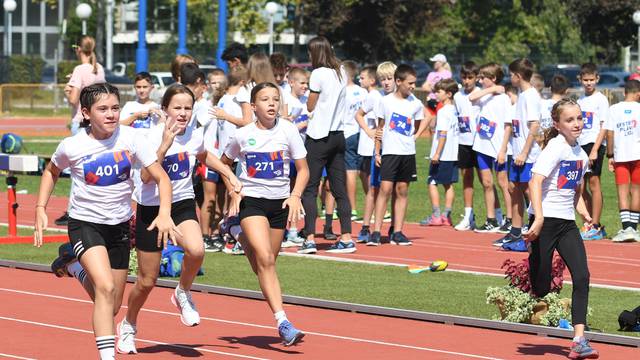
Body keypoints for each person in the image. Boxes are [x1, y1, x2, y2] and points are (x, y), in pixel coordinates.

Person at [35, 83, 179, 360]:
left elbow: (161, 178)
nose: (111, 114)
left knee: (112, 305)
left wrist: (164, 213)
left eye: (115, 108)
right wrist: (41, 207)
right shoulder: (73, 145)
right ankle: (107, 357)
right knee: (104, 287)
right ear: (86, 113)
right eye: (103, 109)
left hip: (120, 226)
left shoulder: (132, 138)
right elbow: (51, 171)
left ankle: (75, 268)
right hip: (85, 224)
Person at [118, 84, 241, 353]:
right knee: (147, 281)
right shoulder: (148, 137)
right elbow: (147, 177)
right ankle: (129, 324)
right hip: (152, 208)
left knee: (196, 250)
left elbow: (204, 155)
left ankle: (182, 292)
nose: (183, 113)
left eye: (188, 108)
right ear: (164, 110)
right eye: (177, 107)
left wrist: (228, 174)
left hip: (181, 203)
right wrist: (164, 145)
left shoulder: (195, 135)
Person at [222, 82, 309, 346]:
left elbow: (303, 170)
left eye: (275, 99)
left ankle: (235, 232)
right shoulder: (242, 135)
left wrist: (295, 196)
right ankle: (283, 322)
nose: (271, 104)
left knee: (264, 263)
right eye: (265, 99)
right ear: (253, 106)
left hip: (279, 205)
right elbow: (224, 164)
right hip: (253, 203)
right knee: (265, 260)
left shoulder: (288, 130)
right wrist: (235, 190)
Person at [525, 98, 598, 360]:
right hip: (545, 222)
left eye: (579, 118)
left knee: (582, 277)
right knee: (542, 287)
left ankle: (579, 340)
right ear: (557, 125)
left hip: (566, 224)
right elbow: (535, 182)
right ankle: (534, 255)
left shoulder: (580, 153)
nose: (577, 123)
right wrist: (539, 218)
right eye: (570, 120)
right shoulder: (555, 148)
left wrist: (584, 212)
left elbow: (574, 190)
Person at [298, 36, 356, 254]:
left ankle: (310, 238)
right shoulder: (340, 70)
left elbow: (311, 104)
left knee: (310, 188)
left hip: (319, 136)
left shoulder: (318, 73)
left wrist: (309, 104)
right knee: (339, 189)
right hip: (338, 135)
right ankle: (347, 237)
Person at [369, 64, 427, 245]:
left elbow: (417, 126)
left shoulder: (415, 104)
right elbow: (380, 128)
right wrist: (377, 152)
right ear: (398, 81)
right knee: (385, 190)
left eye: (414, 83)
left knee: (402, 190)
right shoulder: (385, 102)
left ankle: (398, 231)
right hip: (389, 152)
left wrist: (414, 137)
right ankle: (376, 231)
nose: (412, 86)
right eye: (409, 83)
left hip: (407, 153)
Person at [56, 35, 106, 227]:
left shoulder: (80, 69)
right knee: (94, 167)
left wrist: (68, 89)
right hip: (95, 120)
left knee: (78, 169)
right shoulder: (98, 68)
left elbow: (73, 99)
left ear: (78, 49)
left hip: (80, 120)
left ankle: (73, 210)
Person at [495, 58, 541, 247]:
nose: (510, 77)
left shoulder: (530, 95)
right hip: (517, 153)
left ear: (518, 76)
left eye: (511, 74)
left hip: (527, 155)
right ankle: (515, 232)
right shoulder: (522, 95)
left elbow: (535, 126)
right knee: (514, 189)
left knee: (530, 191)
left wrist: (523, 152)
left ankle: (538, 228)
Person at [203, 67, 247, 252]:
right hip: (224, 157)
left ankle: (226, 233)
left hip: (226, 156)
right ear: (243, 83)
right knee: (227, 196)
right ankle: (214, 234)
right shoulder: (229, 101)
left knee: (229, 197)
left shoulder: (226, 100)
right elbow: (246, 123)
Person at [466, 63, 512, 233]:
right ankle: (491, 219)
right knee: (486, 183)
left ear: (492, 78)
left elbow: (508, 125)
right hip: (482, 146)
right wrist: (491, 90)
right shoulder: (483, 95)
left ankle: (510, 218)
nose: (479, 80)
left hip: (498, 147)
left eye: (483, 77)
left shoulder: (504, 99)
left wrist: (503, 149)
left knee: (503, 183)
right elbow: (471, 98)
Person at [604, 80, 640, 242]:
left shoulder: (614, 109)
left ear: (625, 92)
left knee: (622, 191)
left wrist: (610, 155)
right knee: (637, 190)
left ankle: (626, 229)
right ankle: (634, 228)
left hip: (621, 156)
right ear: (638, 94)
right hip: (638, 155)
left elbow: (609, 134)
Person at [577, 63, 609, 241]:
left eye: (591, 80)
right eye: (585, 80)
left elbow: (604, 125)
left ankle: (596, 226)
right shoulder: (580, 100)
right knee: (579, 186)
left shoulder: (601, 99)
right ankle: (588, 221)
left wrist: (595, 149)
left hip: (593, 144)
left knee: (594, 183)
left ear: (597, 79)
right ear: (580, 80)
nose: (588, 83)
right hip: (580, 145)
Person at [422, 78, 459, 227]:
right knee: (448, 184)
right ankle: (446, 216)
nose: (436, 94)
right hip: (452, 154)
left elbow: (442, 134)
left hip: (442, 154)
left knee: (432, 182)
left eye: (439, 91)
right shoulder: (455, 111)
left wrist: (436, 153)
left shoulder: (443, 111)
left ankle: (437, 215)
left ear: (448, 94)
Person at [281, 67, 310, 247]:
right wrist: (301, 123)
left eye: (307, 83)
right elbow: (284, 123)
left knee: (297, 191)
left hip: (302, 152)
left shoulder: (307, 101)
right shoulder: (286, 98)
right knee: (287, 189)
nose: (305, 86)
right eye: (302, 83)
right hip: (288, 153)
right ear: (291, 82)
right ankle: (284, 229)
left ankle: (293, 228)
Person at [452, 61, 480, 231]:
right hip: (464, 142)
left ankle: (497, 216)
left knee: (487, 181)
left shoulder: (480, 93)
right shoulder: (457, 96)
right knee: (467, 178)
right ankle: (469, 215)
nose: (467, 81)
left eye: (470, 77)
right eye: (464, 77)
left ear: (476, 77)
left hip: (481, 142)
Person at [342, 60, 367, 222]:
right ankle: (377, 206)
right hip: (361, 133)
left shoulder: (342, 92)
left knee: (350, 172)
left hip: (347, 132)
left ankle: (352, 208)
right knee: (364, 172)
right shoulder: (362, 91)